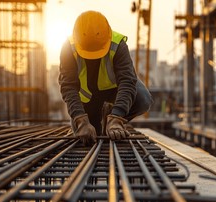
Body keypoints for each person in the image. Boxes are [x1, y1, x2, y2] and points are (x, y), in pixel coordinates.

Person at [59, 10, 153, 144]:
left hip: (113, 90)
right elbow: (68, 86)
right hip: (89, 97)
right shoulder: (68, 47)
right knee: (90, 136)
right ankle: (97, 118)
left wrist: (117, 117)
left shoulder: (118, 45)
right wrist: (80, 119)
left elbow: (127, 81)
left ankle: (111, 115)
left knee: (143, 99)